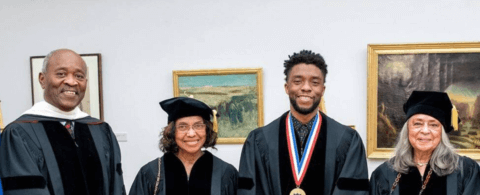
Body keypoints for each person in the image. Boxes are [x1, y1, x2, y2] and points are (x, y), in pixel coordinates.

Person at [238, 50, 369, 195]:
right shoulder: (259, 140)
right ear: (287, 87)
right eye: (297, 81)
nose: (306, 88)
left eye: (315, 82)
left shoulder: (347, 140)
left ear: (323, 89)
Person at [0, 49, 125, 195]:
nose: (71, 82)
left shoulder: (101, 130)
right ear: (42, 79)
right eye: (61, 74)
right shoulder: (19, 132)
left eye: (79, 76)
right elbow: (26, 190)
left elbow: (116, 187)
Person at [370, 91, 480, 195]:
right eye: (418, 124)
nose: (425, 131)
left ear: (442, 133)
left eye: (433, 125)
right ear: (407, 130)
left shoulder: (465, 170)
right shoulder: (384, 174)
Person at [129, 97, 238, 195]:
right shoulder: (151, 173)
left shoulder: (226, 173)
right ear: (172, 132)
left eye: (198, 126)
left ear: (207, 130)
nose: (191, 134)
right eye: (182, 127)